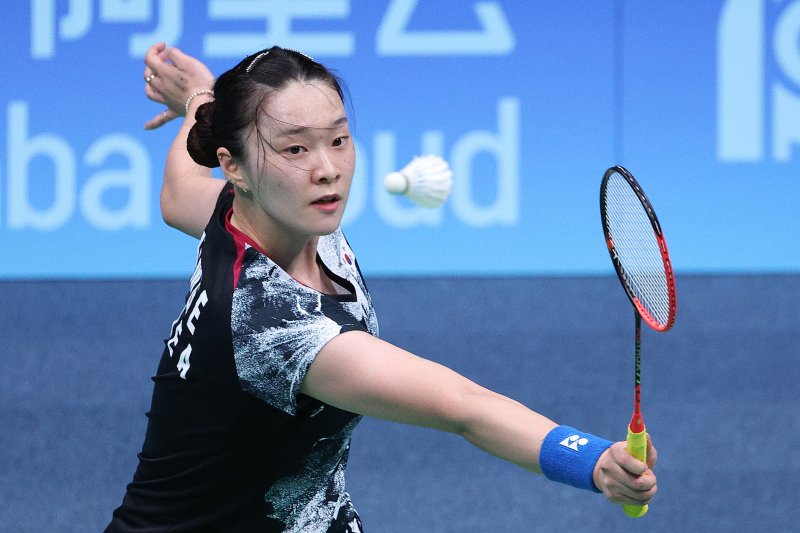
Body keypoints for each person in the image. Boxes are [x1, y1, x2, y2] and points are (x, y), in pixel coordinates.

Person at [105, 43, 657, 532]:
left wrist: (199, 97)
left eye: (338, 139)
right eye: (295, 150)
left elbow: (178, 193)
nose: (327, 169)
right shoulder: (272, 326)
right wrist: (591, 461)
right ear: (235, 167)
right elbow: (463, 407)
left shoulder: (252, 211)